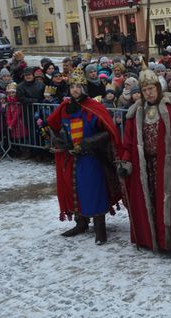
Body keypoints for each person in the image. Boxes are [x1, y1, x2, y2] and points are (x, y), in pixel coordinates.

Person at [118, 69, 171, 260]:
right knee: (148, 203)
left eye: (151, 88)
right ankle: (150, 239)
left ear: (158, 88)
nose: (148, 93)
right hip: (144, 167)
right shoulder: (136, 113)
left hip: (170, 168)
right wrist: (125, 161)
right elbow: (129, 142)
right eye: (144, 90)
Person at [46, 66, 123, 245]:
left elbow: (108, 132)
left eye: (79, 86)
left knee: (94, 190)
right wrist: (60, 140)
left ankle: (100, 229)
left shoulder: (94, 107)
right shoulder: (64, 107)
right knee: (74, 190)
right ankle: (81, 223)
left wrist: (88, 143)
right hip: (71, 157)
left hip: (91, 156)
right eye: (72, 86)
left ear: (84, 88)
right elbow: (52, 126)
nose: (75, 90)